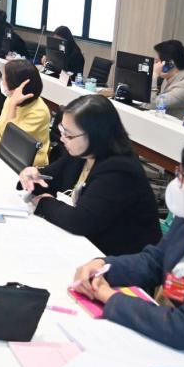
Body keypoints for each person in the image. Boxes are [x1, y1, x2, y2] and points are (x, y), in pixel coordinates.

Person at [71, 135, 184, 366]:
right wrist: (102, 266)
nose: (177, 183)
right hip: (170, 347)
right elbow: (154, 261)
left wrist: (108, 296)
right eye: (179, 172)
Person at [19, 95, 161, 256]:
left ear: (95, 134)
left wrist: (44, 202)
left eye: (69, 135)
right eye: (62, 130)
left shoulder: (120, 169)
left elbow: (80, 221)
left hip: (121, 257)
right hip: (89, 245)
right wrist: (30, 176)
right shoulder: (82, 152)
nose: (63, 139)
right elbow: (48, 179)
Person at [0, 60, 51, 167]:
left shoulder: (39, 112)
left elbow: (10, 141)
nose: (2, 82)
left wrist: (12, 106)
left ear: (18, 87)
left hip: (26, 166)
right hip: (3, 157)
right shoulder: (11, 100)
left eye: (5, 80)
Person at [143, 39, 184, 119]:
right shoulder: (170, 76)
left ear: (169, 64)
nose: (155, 65)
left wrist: (154, 75)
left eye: (157, 62)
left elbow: (150, 106)